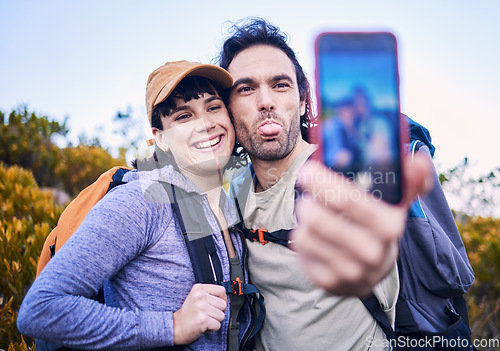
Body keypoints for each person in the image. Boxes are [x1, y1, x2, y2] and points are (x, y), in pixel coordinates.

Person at [218, 18, 432, 350]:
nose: (265, 101)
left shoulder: (338, 171)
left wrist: (369, 258)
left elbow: (369, 230)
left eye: (280, 84)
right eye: (245, 89)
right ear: (229, 110)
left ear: (303, 100)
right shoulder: (235, 188)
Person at [17, 61, 257, 350]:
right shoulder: (142, 201)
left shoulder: (231, 207)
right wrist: (172, 326)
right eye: (183, 116)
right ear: (160, 138)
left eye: (213, 107)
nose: (206, 124)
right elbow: (41, 309)